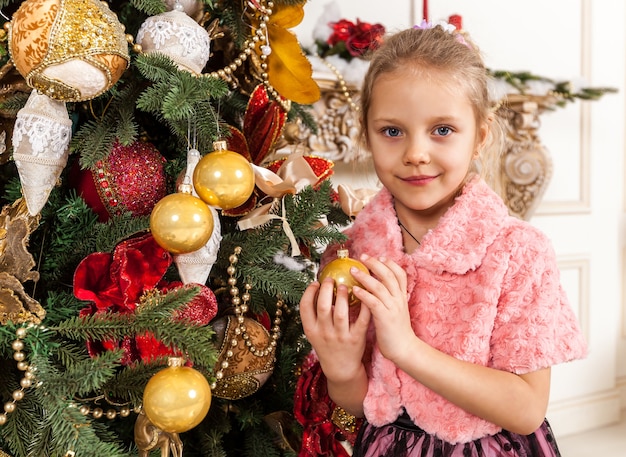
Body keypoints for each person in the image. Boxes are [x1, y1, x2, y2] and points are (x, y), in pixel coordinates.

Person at [298, 21, 588, 457]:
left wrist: (407, 349)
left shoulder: (517, 252)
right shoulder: (351, 253)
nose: (416, 153)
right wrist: (340, 370)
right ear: (367, 134)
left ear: (480, 136)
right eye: (392, 131)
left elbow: (527, 408)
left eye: (442, 130)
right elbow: (366, 405)